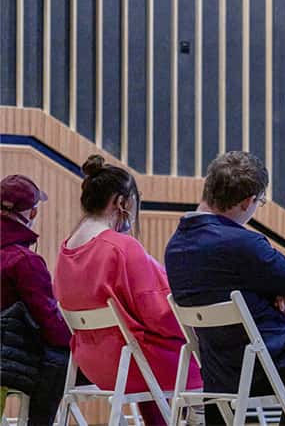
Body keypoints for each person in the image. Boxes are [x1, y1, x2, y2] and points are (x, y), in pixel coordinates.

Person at [165, 151, 285, 411]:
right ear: (247, 201)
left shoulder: (175, 247)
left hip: (220, 373)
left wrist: (277, 291)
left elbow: (247, 286)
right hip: (275, 365)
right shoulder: (242, 243)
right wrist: (282, 289)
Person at [53, 156, 202, 426]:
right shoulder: (121, 247)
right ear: (122, 202)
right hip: (133, 363)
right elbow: (163, 313)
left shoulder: (67, 249)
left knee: (141, 343)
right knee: (211, 356)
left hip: (92, 363)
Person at [0, 174, 72, 426]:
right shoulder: (25, 261)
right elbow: (50, 323)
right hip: (10, 358)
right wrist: (78, 339)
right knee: (60, 358)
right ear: (31, 214)